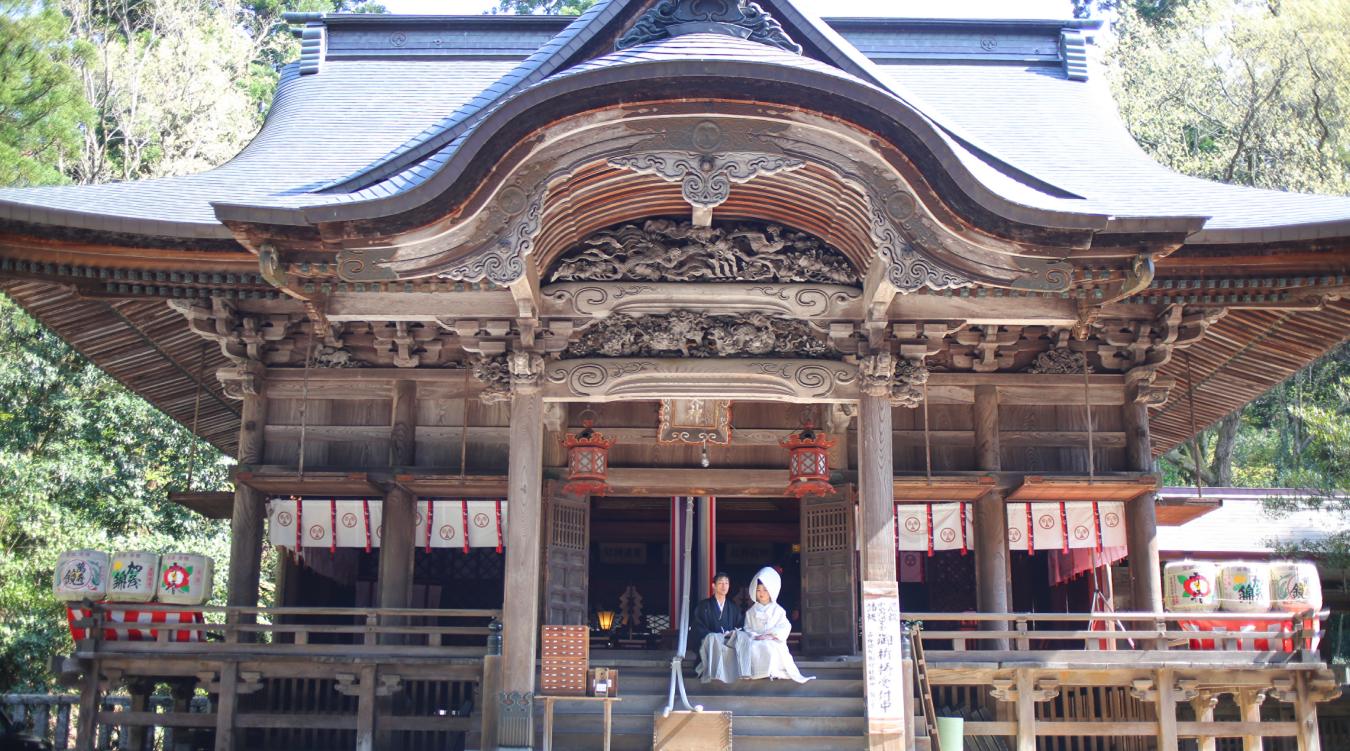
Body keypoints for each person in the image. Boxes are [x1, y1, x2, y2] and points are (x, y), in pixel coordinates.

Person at [733, 566, 814, 683]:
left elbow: (785, 626)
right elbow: (747, 628)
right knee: (751, 647)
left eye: (765, 590)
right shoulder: (751, 612)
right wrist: (755, 636)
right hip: (755, 639)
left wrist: (770, 635)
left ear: (771, 591)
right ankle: (755, 673)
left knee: (769, 647)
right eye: (759, 590)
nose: (761, 593)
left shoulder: (778, 610)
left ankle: (770, 671)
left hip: (773, 640)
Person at [691, 571, 743, 683]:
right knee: (713, 639)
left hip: (728, 642)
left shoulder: (733, 607)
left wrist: (731, 633)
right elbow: (698, 626)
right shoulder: (704, 605)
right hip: (711, 643)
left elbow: (740, 626)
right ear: (713, 586)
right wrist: (713, 636)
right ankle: (712, 672)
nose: (724, 586)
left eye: (726, 583)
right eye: (720, 583)